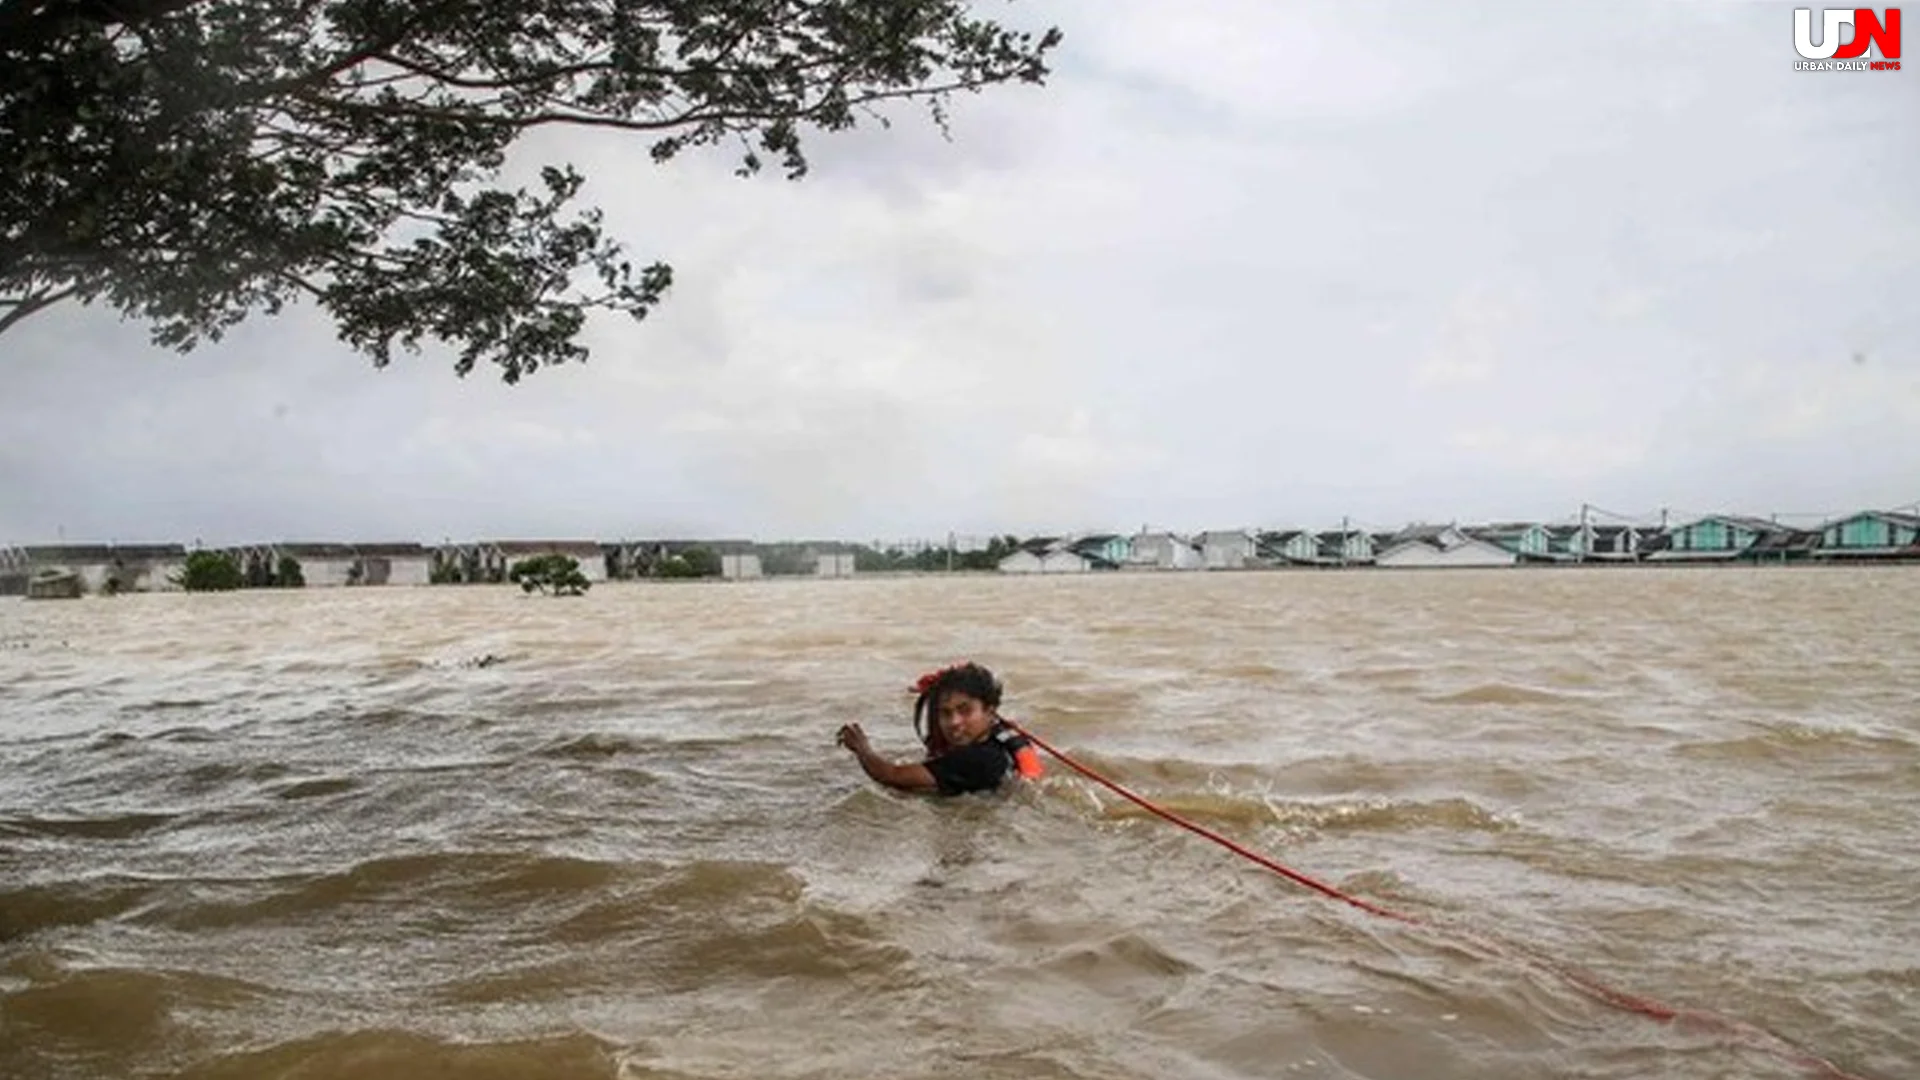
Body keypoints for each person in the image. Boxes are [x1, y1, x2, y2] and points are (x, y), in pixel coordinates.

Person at [836, 661, 1042, 796]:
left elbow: (891, 776)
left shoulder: (977, 759)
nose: (954, 722)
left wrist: (861, 748)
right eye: (945, 713)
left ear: (990, 711)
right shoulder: (1000, 739)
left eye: (965, 711)